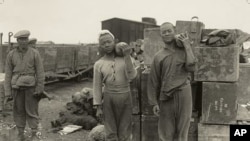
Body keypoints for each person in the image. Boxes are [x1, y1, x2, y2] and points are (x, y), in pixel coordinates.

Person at [147, 22, 197, 141]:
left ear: (174, 32)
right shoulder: (158, 56)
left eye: (169, 30)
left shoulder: (184, 50)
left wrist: (187, 45)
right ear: (161, 36)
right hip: (166, 96)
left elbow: (192, 67)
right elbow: (153, 81)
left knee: (182, 131)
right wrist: (154, 102)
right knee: (166, 132)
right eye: (164, 32)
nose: (167, 33)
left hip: (184, 93)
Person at [93, 30, 137, 141]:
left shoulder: (128, 59)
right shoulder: (99, 64)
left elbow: (132, 76)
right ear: (100, 46)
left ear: (115, 41)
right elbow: (97, 87)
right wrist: (98, 107)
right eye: (103, 43)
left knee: (125, 131)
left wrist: (127, 56)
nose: (106, 45)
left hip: (125, 96)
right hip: (108, 98)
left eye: (109, 41)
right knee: (110, 132)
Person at [4, 30, 45, 141]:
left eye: (25, 39)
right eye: (21, 39)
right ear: (17, 41)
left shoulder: (34, 53)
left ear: (28, 40)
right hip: (16, 88)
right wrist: (7, 92)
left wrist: (40, 88)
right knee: (18, 111)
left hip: (31, 87)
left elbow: (40, 72)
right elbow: (8, 74)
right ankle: (20, 133)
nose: (23, 41)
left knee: (32, 111)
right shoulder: (11, 55)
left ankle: (34, 134)